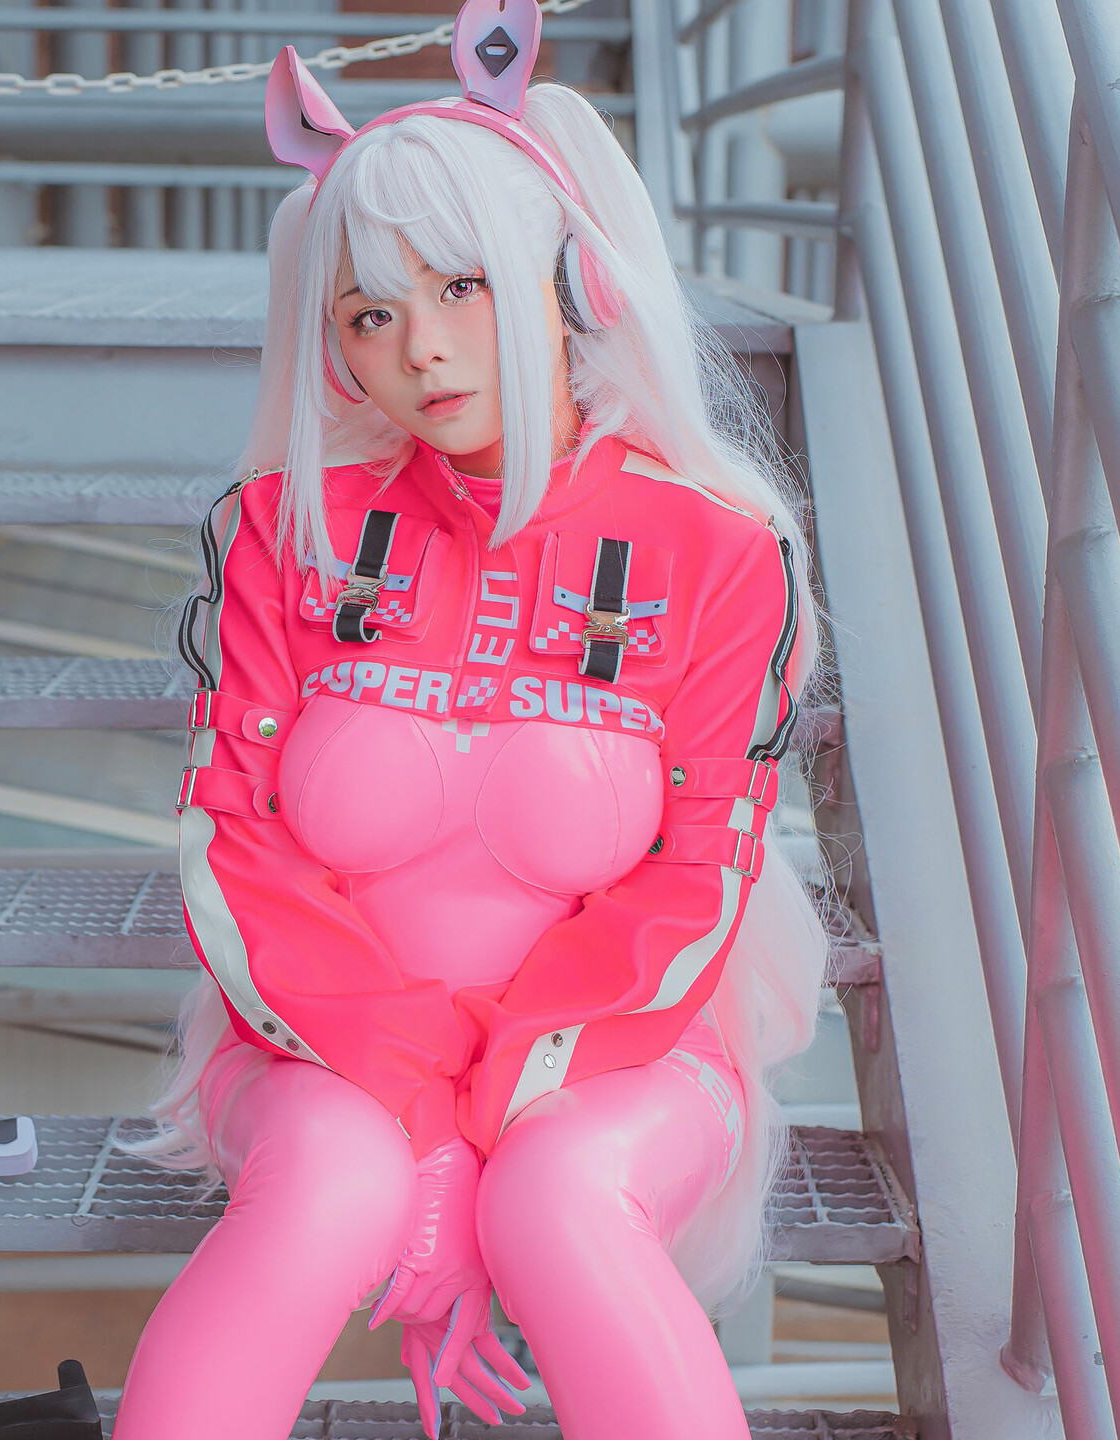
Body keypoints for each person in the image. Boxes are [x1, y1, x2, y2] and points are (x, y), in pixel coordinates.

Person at [115, 4, 827, 1434]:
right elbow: (236, 844)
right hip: (314, 1053)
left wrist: (481, 1138)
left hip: (624, 1058)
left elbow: (697, 878)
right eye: (370, 315)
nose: (423, 353)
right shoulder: (286, 529)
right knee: (338, 1181)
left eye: (461, 287)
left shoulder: (717, 548)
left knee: (556, 1199)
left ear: (569, 282)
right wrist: (424, 1143)